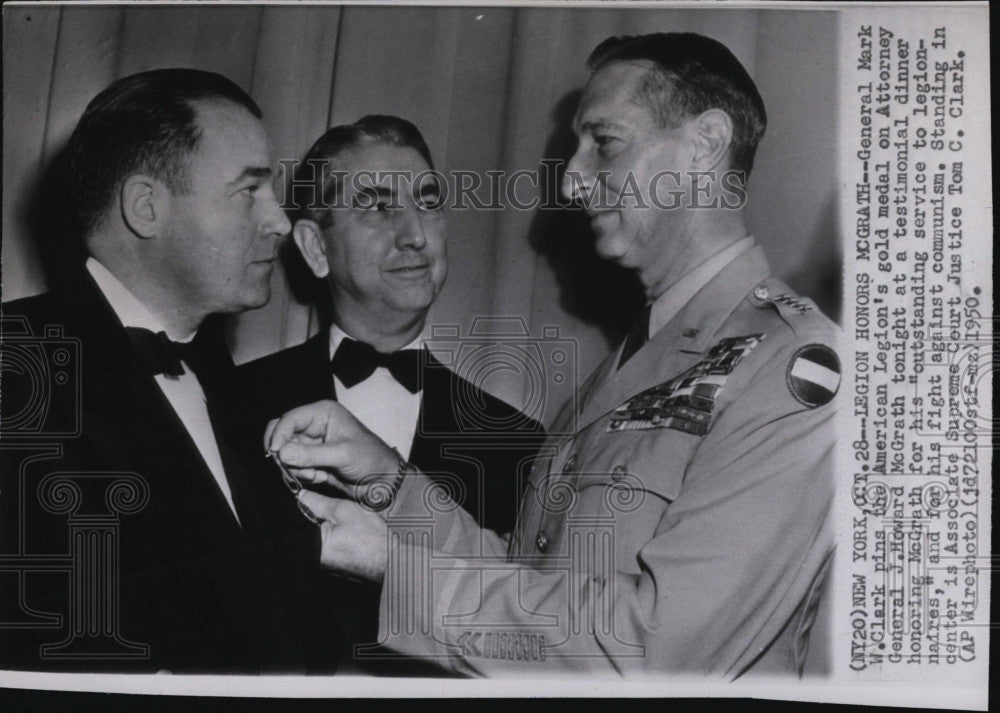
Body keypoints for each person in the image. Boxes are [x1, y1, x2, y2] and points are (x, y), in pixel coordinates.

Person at [266, 32, 841, 679]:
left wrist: (395, 568)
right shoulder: (632, 360)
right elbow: (525, 580)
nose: (571, 177)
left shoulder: (791, 369)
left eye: (605, 143)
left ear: (704, 144)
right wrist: (390, 486)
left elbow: (653, 651)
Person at [0, 69, 329, 673]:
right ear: (146, 207)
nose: (281, 222)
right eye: (249, 190)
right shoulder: (14, 372)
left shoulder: (231, 382)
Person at [236, 115, 545, 672]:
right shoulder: (230, 404)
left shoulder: (519, 442)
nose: (417, 235)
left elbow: (530, 639)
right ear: (314, 246)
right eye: (378, 207)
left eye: (428, 203)